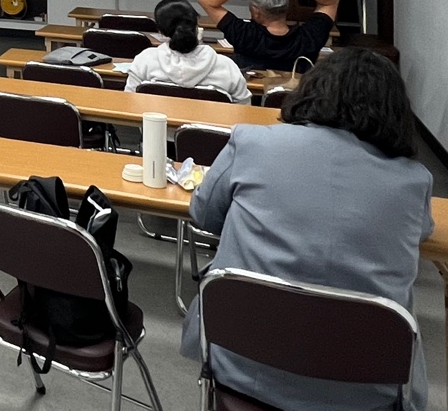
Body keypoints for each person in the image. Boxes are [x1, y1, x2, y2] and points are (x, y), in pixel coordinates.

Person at [181, 47, 432, 411]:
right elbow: (416, 235)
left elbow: (203, 214)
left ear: (312, 90)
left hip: (239, 362)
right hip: (365, 389)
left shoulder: (252, 142)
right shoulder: (414, 181)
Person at [197, 0, 338, 72]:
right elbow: (331, 0)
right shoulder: (309, 37)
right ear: (286, 8)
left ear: (256, 12)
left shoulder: (244, 34)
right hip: (296, 101)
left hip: (249, 101)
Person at [123, 0, 250, 103]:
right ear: (196, 25)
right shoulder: (226, 65)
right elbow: (244, 110)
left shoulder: (144, 61)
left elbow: (130, 101)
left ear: (161, 31)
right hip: (210, 126)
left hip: (154, 126)